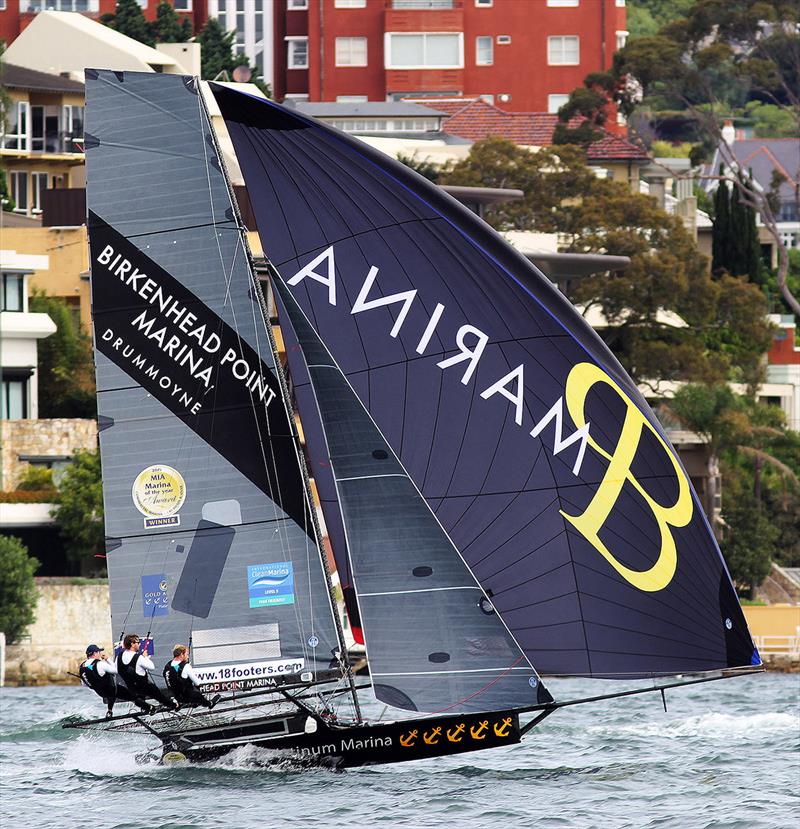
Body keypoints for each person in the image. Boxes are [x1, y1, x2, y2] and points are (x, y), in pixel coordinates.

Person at [79, 644, 151, 718]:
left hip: (101, 693)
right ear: (95, 653)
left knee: (110, 692)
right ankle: (148, 708)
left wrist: (96, 681)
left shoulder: (82, 667)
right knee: (132, 695)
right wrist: (108, 659)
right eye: (99, 652)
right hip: (112, 690)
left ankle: (109, 712)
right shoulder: (100, 664)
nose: (100, 654)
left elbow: (84, 684)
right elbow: (117, 671)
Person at [116, 633, 179, 710]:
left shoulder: (119, 656)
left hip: (131, 687)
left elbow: (116, 669)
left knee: (138, 694)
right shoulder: (139, 657)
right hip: (144, 686)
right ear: (132, 644)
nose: (139, 645)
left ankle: (146, 707)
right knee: (158, 695)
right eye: (138, 643)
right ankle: (174, 705)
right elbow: (152, 667)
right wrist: (145, 657)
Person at [162, 644, 221, 710]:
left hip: (175, 696)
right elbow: (197, 683)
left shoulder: (167, 665)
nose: (187, 657)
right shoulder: (185, 666)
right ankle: (209, 703)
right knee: (199, 691)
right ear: (182, 654)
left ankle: (188, 702)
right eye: (187, 654)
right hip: (187, 697)